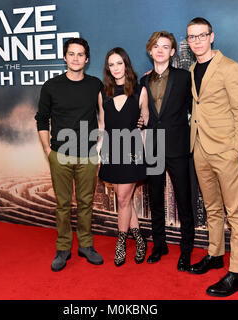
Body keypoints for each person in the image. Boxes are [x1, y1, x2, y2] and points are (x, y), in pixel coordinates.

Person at [186, 17, 238, 297]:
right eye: (192, 37)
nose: (197, 40)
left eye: (202, 35)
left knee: (235, 214)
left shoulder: (230, 68)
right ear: (187, 41)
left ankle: (237, 273)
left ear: (212, 37)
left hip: (225, 149)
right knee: (212, 208)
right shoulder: (191, 69)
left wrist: (237, 149)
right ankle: (215, 255)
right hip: (200, 148)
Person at [35, 37, 104, 272]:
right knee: (62, 205)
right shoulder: (51, 86)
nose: (76, 58)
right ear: (65, 58)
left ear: (87, 59)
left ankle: (86, 245)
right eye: (71, 54)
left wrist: (99, 146)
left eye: (80, 54)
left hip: (87, 155)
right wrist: (47, 150)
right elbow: (42, 120)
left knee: (86, 204)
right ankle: (63, 248)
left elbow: (103, 114)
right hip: (60, 155)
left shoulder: (95, 85)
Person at [140, 31, 195, 271]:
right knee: (155, 198)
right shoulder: (142, 81)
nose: (160, 50)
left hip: (178, 146)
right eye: (156, 46)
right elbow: (141, 113)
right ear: (150, 50)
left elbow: (196, 109)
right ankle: (159, 245)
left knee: (184, 200)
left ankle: (186, 250)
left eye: (166, 46)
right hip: (153, 146)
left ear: (173, 52)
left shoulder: (184, 77)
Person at [97, 47, 149, 266]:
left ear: (126, 64)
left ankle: (121, 243)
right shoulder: (103, 94)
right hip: (110, 150)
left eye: (119, 63)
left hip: (131, 151)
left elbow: (145, 124)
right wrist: (100, 155)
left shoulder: (140, 91)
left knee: (122, 200)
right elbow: (101, 126)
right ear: (108, 68)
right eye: (111, 64)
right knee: (124, 199)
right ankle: (139, 237)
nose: (116, 68)